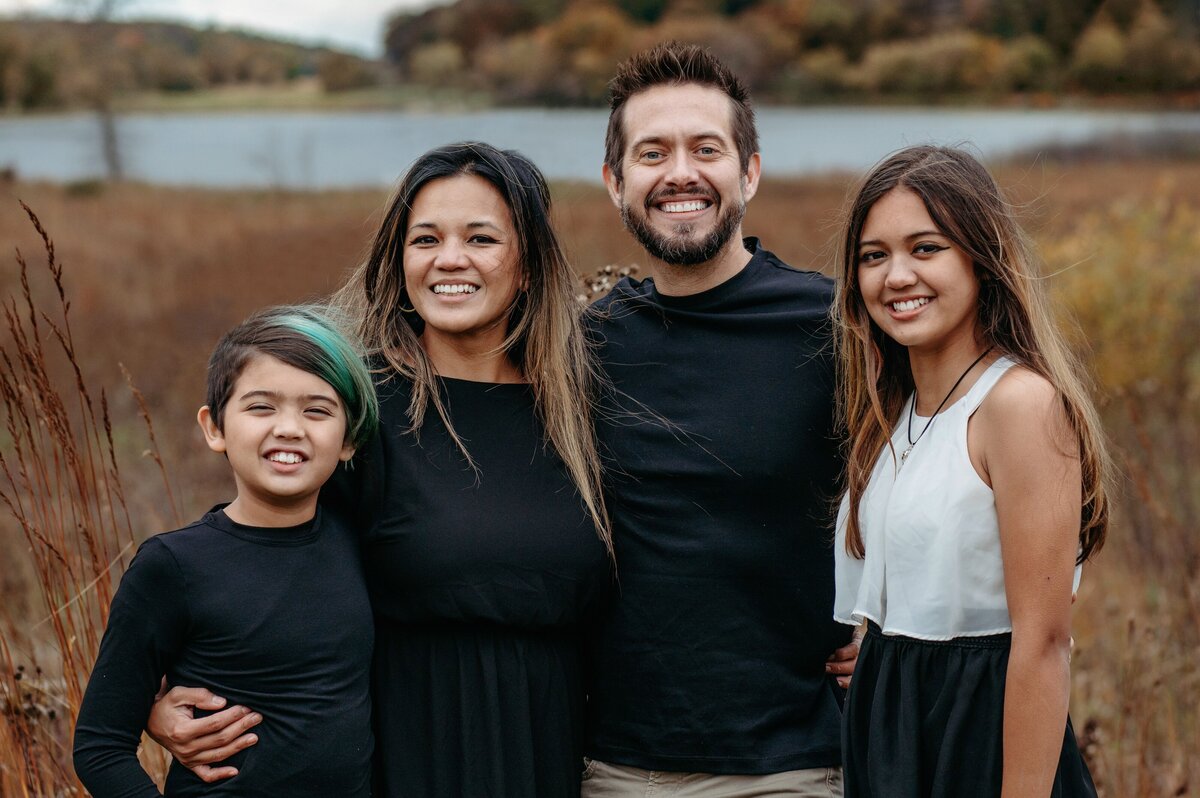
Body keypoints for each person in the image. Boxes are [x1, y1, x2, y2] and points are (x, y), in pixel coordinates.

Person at [146, 142, 614, 796]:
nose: (450, 259)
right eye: (426, 239)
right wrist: (154, 691)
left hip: (552, 746)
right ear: (400, 261)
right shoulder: (355, 407)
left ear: (528, 265)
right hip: (400, 748)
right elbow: (254, 549)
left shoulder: (580, 408)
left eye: (481, 238)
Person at [581, 42, 855, 796]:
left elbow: (957, 470)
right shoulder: (582, 344)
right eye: (651, 153)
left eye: (707, 148)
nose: (680, 174)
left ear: (750, 172)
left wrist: (897, 622)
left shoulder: (835, 325)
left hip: (793, 766)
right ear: (615, 182)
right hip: (611, 767)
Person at [831, 145, 1109, 796]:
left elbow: (1042, 644)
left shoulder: (1018, 405)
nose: (896, 276)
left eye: (925, 248)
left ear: (981, 258)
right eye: (874, 256)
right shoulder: (892, 412)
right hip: (893, 732)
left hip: (981, 738)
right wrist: (881, 653)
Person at [73, 305, 380, 796]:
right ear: (214, 427)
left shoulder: (362, 546)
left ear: (348, 440)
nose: (289, 428)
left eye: (317, 410)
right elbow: (99, 746)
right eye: (261, 407)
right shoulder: (173, 566)